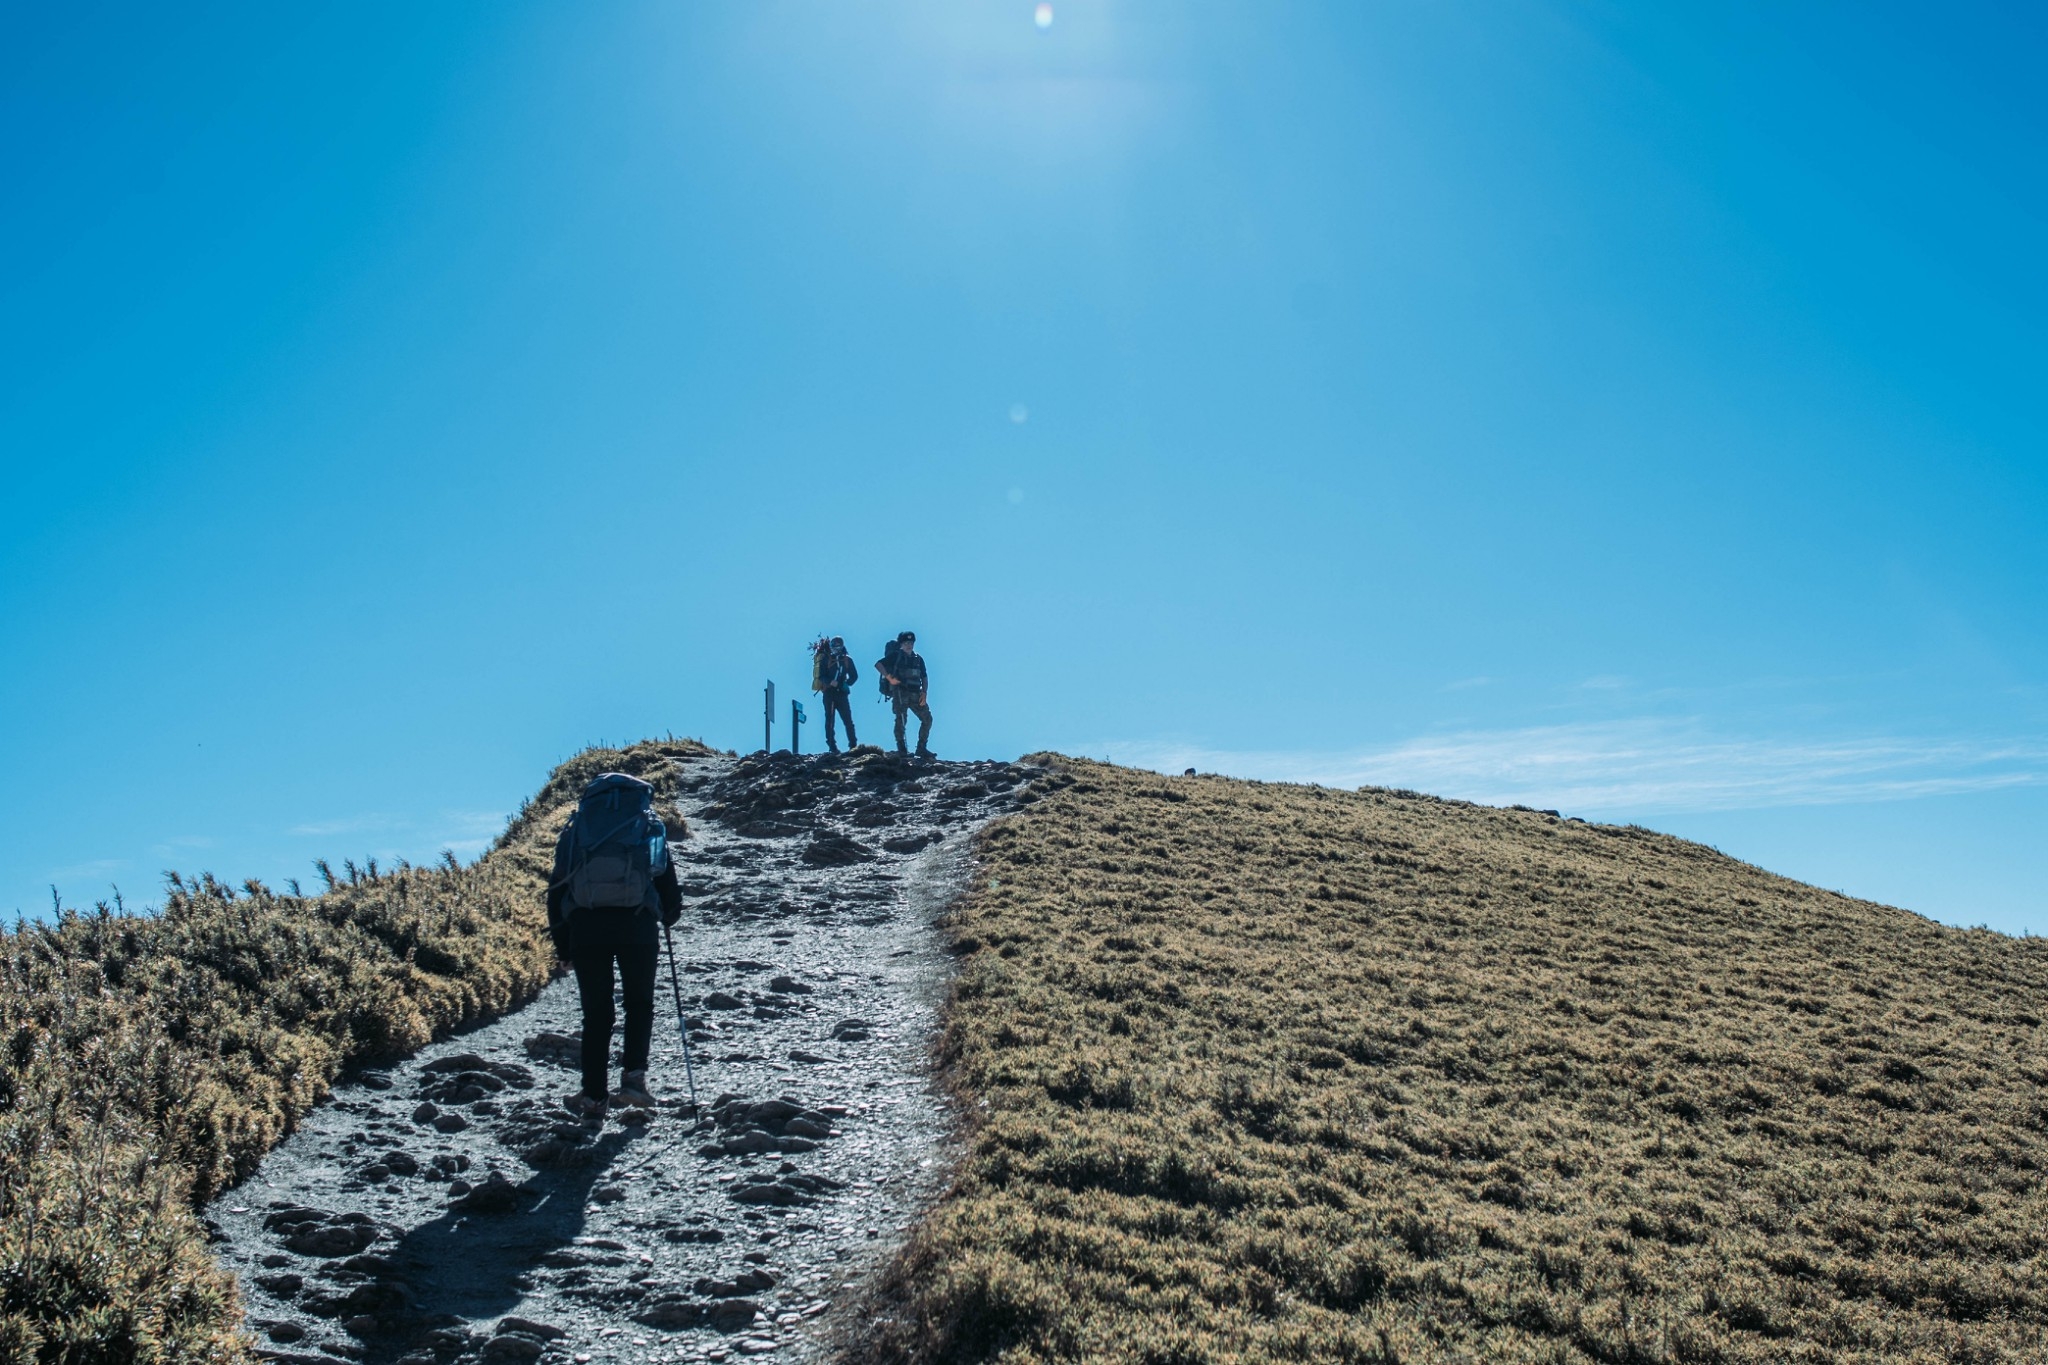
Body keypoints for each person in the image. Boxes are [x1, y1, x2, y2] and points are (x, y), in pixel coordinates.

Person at [546, 772, 682, 1119]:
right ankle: (634, 1081)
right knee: (640, 1004)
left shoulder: (576, 829)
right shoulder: (647, 825)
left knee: (597, 1014)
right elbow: (665, 878)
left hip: (588, 927)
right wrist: (667, 915)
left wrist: (564, 948)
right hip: (637, 925)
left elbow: (557, 889)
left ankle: (593, 1098)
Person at [876, 629, 933, 758]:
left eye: (911, 642)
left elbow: (924, 676)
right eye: (906, 642)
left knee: (927, 719)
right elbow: (879, 664)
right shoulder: (896, 656)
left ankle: (921, 747)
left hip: (916, 693)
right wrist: (889, 678)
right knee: (901, 719)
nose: (909, 645)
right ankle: (902, 748)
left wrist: (924, 692)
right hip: (900, 693)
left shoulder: (918, 659)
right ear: (901, 644)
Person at [814, 636, 859, 752]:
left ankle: (853, 746)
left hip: (842, 694)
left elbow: (854, 676)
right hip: (829, 693)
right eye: (833, 646)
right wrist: (830, 682)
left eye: (838, 646)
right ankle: (832, 746)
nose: (835, 649)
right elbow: (821, 676)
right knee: (830, 719)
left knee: (848, 720)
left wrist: (846, 684)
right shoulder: (826, 659)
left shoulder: (847, 660)